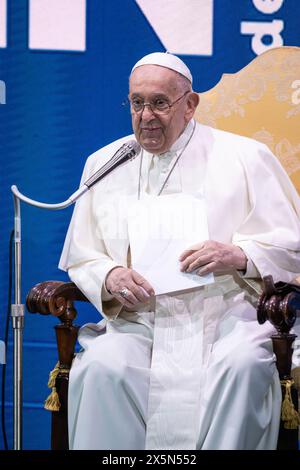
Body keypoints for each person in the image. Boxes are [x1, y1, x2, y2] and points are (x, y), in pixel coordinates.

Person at [59, 52, 300, 450]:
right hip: (140, 320)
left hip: (227, 315)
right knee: (103, 368)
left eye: (159, 102)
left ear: (190, 105)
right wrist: (109, 276)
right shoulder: (106, 163)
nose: (146, 115)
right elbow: (84, 254)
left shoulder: (245, 157)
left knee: (241, 368)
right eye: (137, 103)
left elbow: (291, 243)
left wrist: (239, 256)